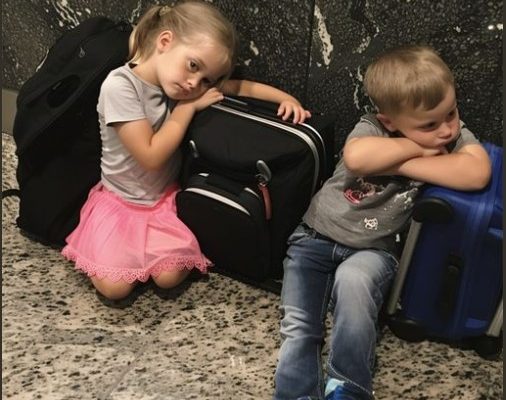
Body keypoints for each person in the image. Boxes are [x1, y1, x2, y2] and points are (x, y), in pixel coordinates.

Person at [273, 45, 491, 400]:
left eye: (451, 113)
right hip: (313, 237)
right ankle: (297, 394)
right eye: (430, 124)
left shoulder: (453, 135)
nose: (446, 130)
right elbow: (358, 158)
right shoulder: (372, 126)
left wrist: (401, 160)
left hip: (374, 251)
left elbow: (477, 172)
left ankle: (349, 386)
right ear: (389, 121)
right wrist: (419, 150)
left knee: (354, 284)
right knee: (299, 325)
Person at [61, 0, 311, 302]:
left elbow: (239, 87)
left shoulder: (179, 83)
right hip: (120, 203)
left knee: (168, 277)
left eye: (206, 80)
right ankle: (119, 254)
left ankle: (140, 257)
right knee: (115, 289)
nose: (195, 83)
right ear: (165, 42)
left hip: (163, 202)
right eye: (193, 65)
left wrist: (287, 99)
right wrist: (186, 110)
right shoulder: (120, 86)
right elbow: (151, 156)